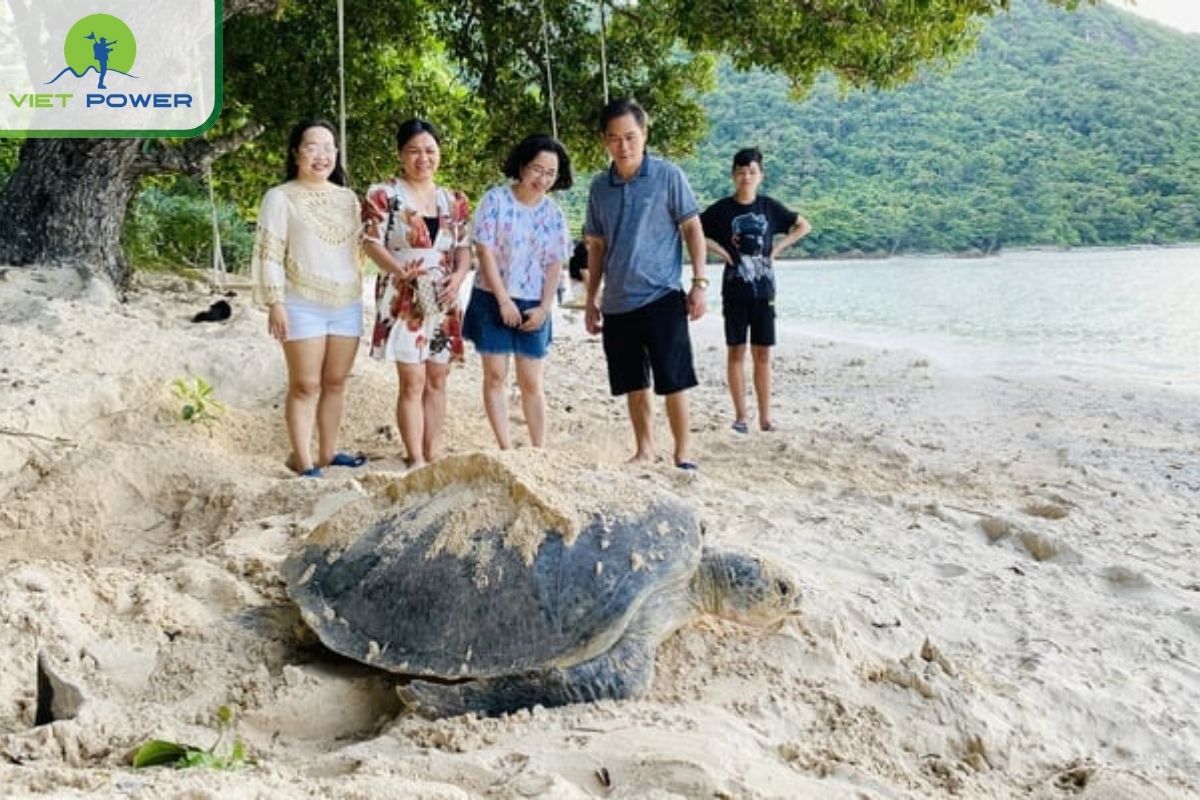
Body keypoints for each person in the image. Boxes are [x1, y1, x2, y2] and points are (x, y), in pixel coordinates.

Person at [583, 98, 708, 470]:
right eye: (615, 138)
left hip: (662, 295)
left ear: (644, 134)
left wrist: (699, 282)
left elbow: (692, 229)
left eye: (631, 137)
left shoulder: (668, 175)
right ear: (605, 140)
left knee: (674, 378)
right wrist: (592, 298)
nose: (624, 146)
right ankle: (644, 448)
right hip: (618, 302)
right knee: (633, 382)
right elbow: (597, 246)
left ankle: (682, 450)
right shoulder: (599, 187)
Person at [250, 118, 367, 478]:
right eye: (312, 147)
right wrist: (275, 303)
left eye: (329, 147)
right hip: (300, 302)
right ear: (296, 153)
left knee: (335, 383)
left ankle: (328, 453)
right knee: (305, 385)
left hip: (346, 301)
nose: (322, 155)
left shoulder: (348, 198)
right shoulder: (281, 197)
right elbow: (270, 252)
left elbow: (361, 247)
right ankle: (304, 462)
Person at [364, 119, 471, 468]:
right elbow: (370, 242)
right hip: (403, 292)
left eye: (430, 150)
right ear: (400, 155)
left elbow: (463, 247)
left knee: (438, 377)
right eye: (414, 151)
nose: (422, 158)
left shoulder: (454, 200)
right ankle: (416, 457)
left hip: (442, 294)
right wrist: (398, 271)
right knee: (413, 379)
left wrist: (457, 278)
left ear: (439, 153)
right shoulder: (384, 194)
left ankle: (434, 449)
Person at [463, 134, 572, 450]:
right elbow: (485, 253)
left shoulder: (553, 214)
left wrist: (545, 307)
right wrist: (503, 300)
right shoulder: (495, 200)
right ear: (522, 165)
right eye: (538, 169)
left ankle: (539, 448)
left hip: (534, 301)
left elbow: (555, 264)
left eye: (551, 173)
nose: (543, 178)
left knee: (531, 381)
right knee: (495, 376)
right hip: (492, 295)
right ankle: (506, 447)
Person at [700, 147, 811, 433]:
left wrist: (777, 249)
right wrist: (720, 251)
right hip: (734, 291)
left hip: (764, 291)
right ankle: (741, 416)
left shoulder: (769, 207)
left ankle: (765, 417)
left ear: (760, 175)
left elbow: (802, 226)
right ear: (733, 175)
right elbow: (691, 231)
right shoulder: (722, 209)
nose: (746, 177)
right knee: (736, 352)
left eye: (752, 172)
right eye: (741, 172)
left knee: (763, 354)